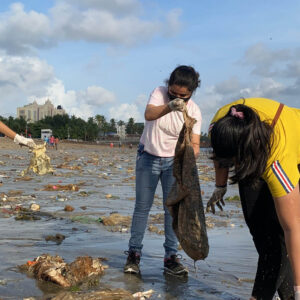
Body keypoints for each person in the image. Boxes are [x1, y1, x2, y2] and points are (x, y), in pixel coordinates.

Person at [206, 98, 300, 300]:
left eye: (234, 162)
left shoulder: (278, 162)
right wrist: (219, 187)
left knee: (280, 235)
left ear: (244, 156)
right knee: (260, 232)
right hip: (248, 143)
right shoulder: (219, 127)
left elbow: (292, 227)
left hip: (292, 148)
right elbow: (220, 156)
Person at [124, 65, 202, 276]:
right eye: (173, 93)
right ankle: (134, 255)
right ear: (168, 86)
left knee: (172, 211)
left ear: (191, 93)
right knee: (142, 207)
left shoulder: (194, 110)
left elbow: (195, 144)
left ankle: (170, 257)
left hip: (173, 164)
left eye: (182, 96)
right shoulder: (159, 93)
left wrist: (190, 155)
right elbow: (149, 114)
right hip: (148, 156)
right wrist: (170, 105)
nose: (177, 97)